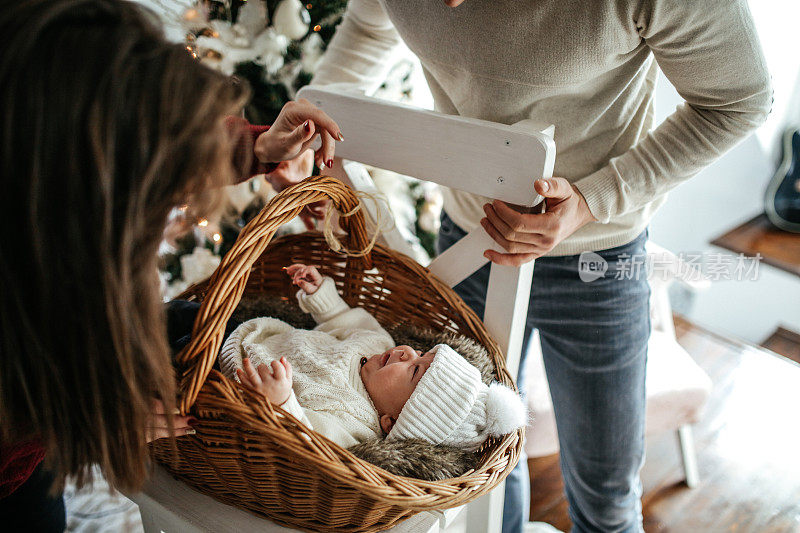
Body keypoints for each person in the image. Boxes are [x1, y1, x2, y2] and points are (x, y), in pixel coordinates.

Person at [273, 1, 773, 531]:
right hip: (466, 241)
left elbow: (738, 101)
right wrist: (311, 132)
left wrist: (591, 199)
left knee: (606, 498)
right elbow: (370, 33)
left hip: (597, 261)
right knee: (483, 474)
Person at [0, 0, 342, 529]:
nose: (169, 219)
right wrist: (75, 417)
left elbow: (143, 129)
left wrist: (260, 148)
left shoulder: (62, 95)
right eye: (151, 203)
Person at [216, 264, 527, 450]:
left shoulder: (356, 425)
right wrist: (320, 295)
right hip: (250, 333)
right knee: (183, 314)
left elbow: (309, 439)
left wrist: (283, 403)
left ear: (392, 422)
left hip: (229, 380)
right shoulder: (379, 342)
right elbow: (341, 320)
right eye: (420, 353)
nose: (407, 351)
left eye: (413, 370)